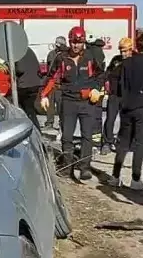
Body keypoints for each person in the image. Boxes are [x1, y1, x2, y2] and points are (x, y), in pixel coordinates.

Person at [40, 26, 105, 180]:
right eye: (73, 42)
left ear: (84, 42)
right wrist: (44, 95)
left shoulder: (90, 57)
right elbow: (51, 77)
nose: (76, 45)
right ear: (69, 42)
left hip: (87, 102)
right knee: (67, 136)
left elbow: (101, 75)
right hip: (68, 101)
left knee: (87, 136)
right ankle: (67, 167)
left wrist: (96, 89)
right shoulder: (61, 58)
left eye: (79, 42)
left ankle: (85, 168)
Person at [111, 31, 143, 191]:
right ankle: (136, 179)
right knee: (140, 143)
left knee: (123, 142)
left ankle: (115, 176)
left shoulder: (126, 62)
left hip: (126, 105)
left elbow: (117, 81)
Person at [101, 37, 133, 155]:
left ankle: (123, 142)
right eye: (121, 51)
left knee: (127, 121)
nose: (123, 54)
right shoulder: (116, 60)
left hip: (128, 96)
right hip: (114, 95)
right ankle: (107, 142)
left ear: (130, 50)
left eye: (125, 51)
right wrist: (105, 81)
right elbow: (108, 72)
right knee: (110, 119)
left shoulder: (135, 61)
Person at [12, 47, 43, 129]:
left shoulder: (17, 51)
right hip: (35, 83)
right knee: (30, 110)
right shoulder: (28, 49)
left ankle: (34, 130)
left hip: (25, 85)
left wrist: (11, 67)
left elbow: (20, 69)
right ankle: (35, 129)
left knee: (26, 110)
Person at [43, 36, 68, 133]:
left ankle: (61, 124)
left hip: (59, 84)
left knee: (60, 106)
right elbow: (50, 68)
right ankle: (50, 122)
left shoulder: (64, 55)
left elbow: (51, 69)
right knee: (50, 104)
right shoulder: (52, 54)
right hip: (53, 82)